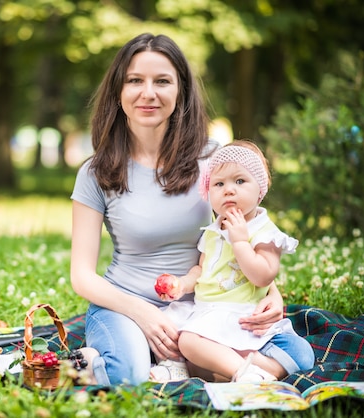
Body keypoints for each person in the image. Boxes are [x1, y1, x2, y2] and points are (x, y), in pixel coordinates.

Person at [69, 32, 285, 386]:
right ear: (118, 92)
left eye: (162, 81)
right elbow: (82, 276)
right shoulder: (96, 172)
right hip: (124, 304)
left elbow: (249, 234)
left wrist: (272, 293)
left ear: (181, 91)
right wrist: (144, 314)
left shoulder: (214, 160)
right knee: (128, 377)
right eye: (135, 80)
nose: (148, 93)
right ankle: (97, 363)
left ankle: (176, 365)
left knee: (290, 356)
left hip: (204, 307)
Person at [154, 140, 315, 382]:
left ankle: (239, 371)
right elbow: (202, 268)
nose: (228, 190)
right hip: (206, 311)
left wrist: (240, 243)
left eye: (240, 181)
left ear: (260, 189)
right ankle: (228, 369)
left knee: (301, 356)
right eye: (219, 184)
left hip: (240, 316)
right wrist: (183, 285)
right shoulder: (212, 231)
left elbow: (264, 275)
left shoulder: (263, 231)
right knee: (165, 327)